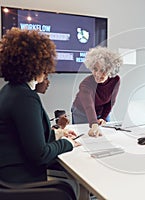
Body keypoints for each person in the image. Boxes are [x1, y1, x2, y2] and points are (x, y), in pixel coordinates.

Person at [0, 28, 79, 184]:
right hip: (19, 182)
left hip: (7, 176)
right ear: (36, 65)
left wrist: (58, 134)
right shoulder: (25, 97)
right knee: (67, 188)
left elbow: (25, 137)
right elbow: (40, 154)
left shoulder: (9, 90)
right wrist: (68, 143)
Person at [71, 46, 123, 137]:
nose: (98, 74)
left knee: (106, 135)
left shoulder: (115, 80)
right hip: (82, 112)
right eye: (95, 69)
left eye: (103, 70)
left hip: (101, 111)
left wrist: (103, 117)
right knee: (84, 137)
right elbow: (88, 106)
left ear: (111, 70)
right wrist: (94, 124)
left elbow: (111, 101)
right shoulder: (86, 84)